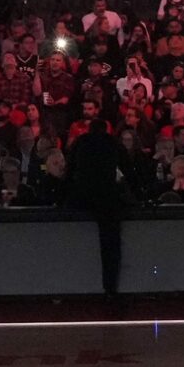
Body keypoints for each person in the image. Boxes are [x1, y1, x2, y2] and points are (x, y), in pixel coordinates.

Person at [64, 119, 134, 295]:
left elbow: (69, 170)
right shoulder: (113, 143)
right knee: (111, 243)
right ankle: (111, 286)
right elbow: (128, 169)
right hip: (108, 197)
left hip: (83, 196)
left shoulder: (81, 142)